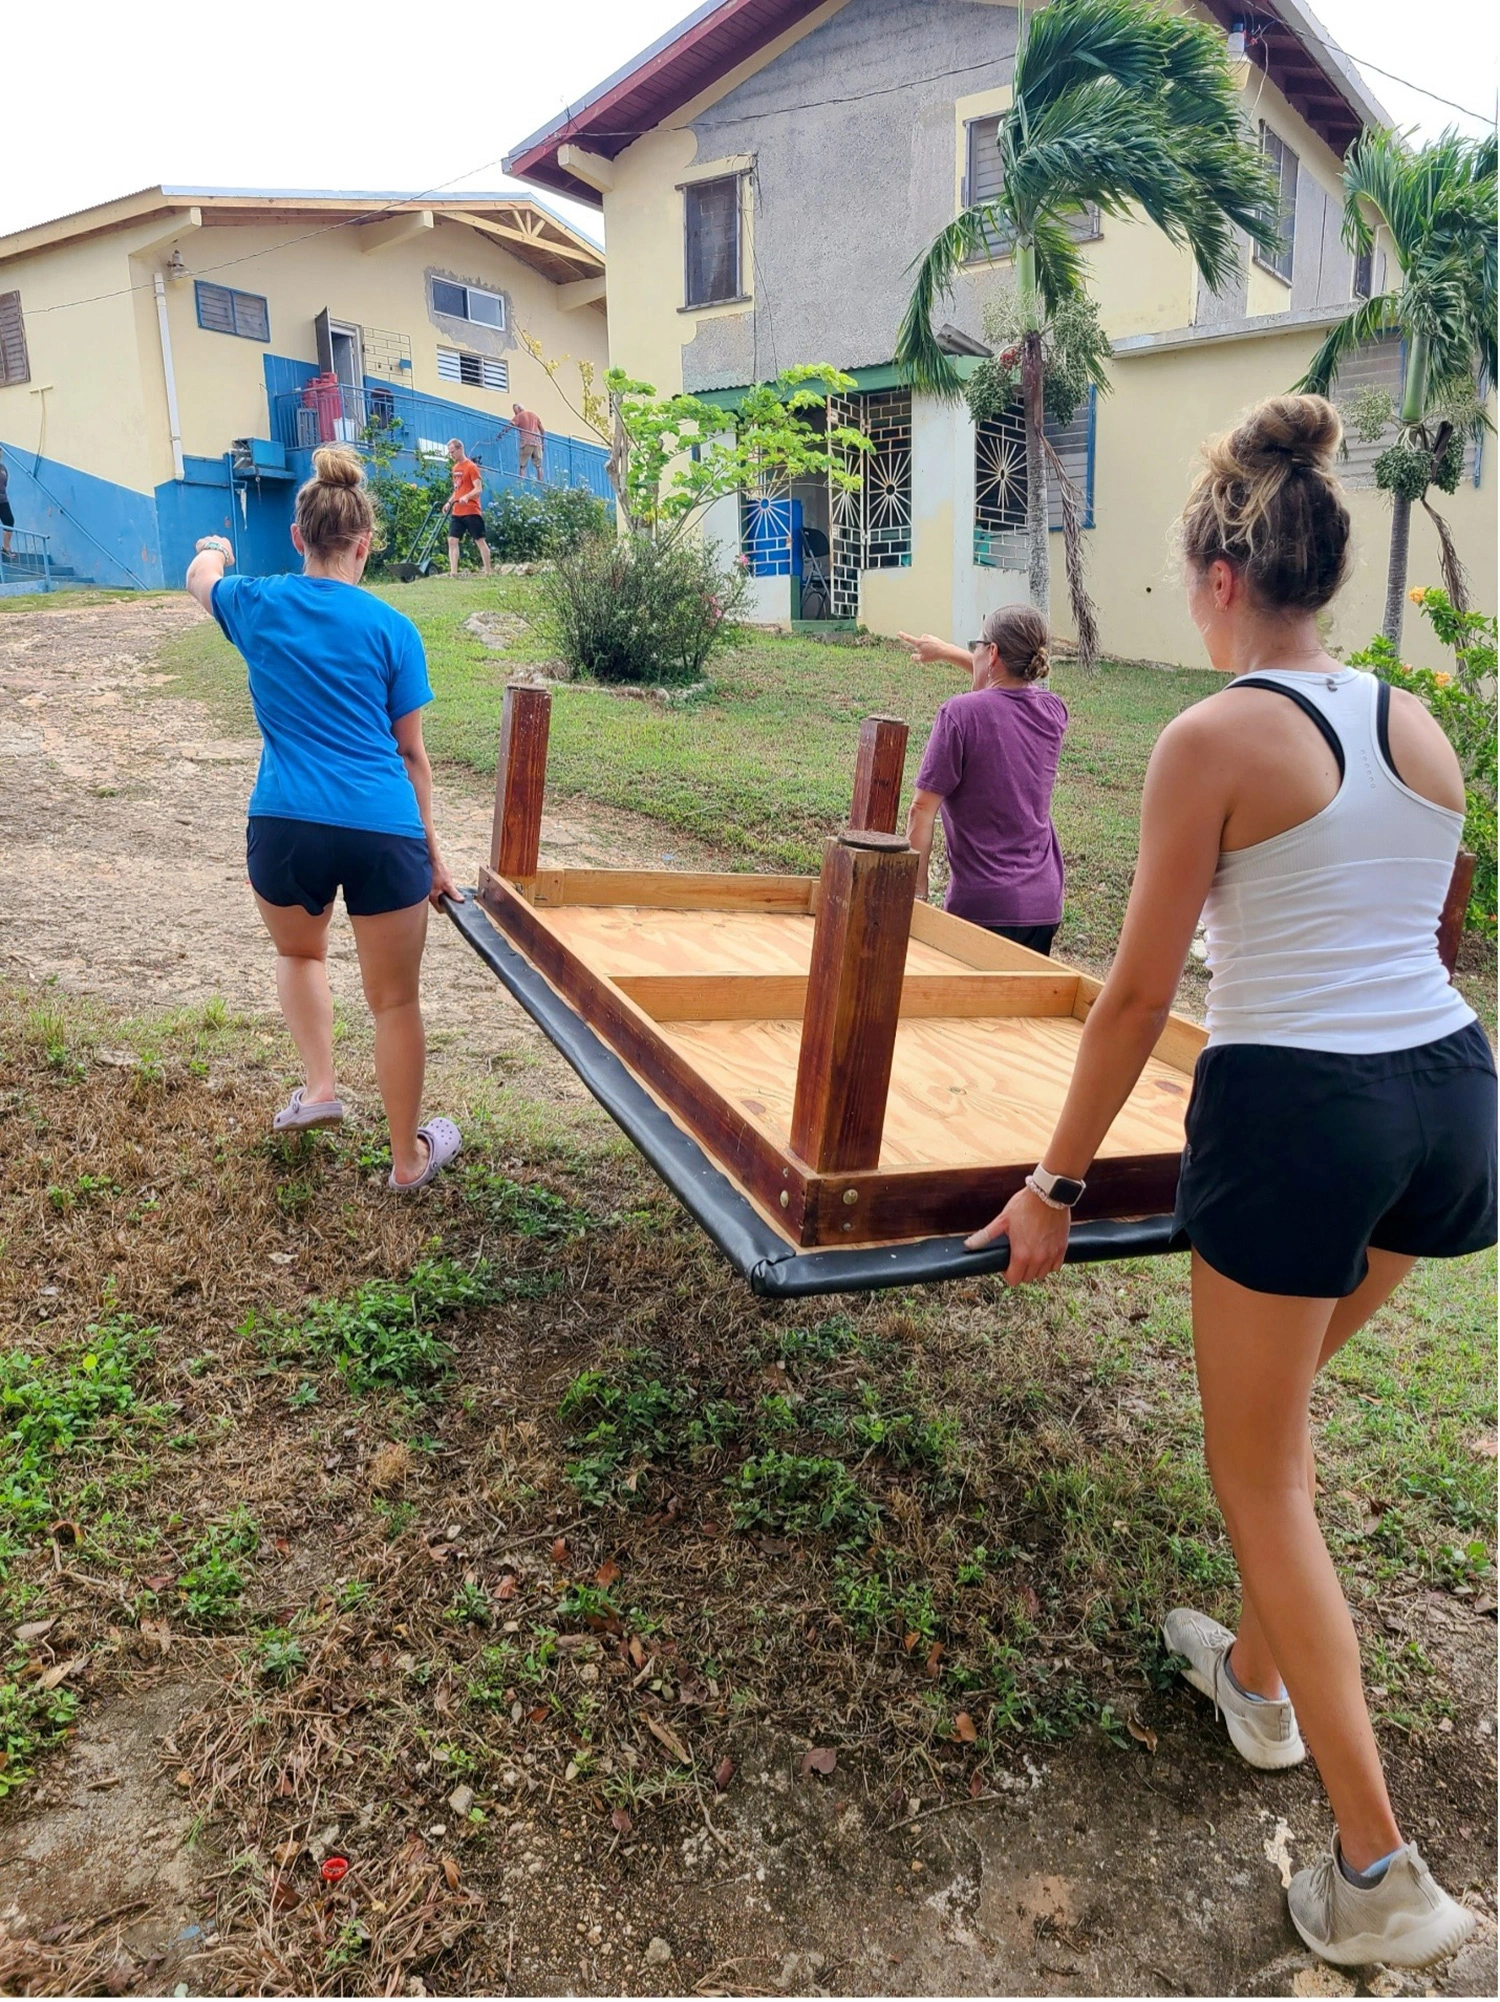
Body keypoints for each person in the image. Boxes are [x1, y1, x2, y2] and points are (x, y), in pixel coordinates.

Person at [967, 395, 1494, 1969]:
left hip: (1303, 1110)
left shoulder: (1214, 737)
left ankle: (1378, 1868)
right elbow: (1423, 926)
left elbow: (1134, 995)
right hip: (1452, 1097)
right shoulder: (1420, 722)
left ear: (1215, 573)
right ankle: (1255, 1690)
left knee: (1255, 1471)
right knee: (1283, 1434)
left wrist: (1054, 1183)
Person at [184, 446, 463, 1192]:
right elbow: (412, 757)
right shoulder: (393, 627)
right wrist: (434, 857)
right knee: (396, 999)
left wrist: (213, 547)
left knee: (302, 957)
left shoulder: (257, 601)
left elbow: (199, 579)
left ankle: (319, 1089)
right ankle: (408, 1161)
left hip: (286, 826)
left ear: (300, 537)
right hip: (385, 828)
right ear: (364, 545)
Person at [900, 606, 1067, 954]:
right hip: (1043, 907)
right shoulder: (1053, 712)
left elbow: (921, 810)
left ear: (992, 653)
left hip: (982, 909)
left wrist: (915, 896)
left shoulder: (959, 714)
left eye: (977, 645)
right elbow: (1004, 686)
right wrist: (947, 652)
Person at [444, 437, 492, 578]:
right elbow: (457, 489)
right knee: (452, 540)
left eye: (452, 451)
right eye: (449, 452)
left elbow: (478, 489)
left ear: (460, 449)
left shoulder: (471, 467)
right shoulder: (455, 468)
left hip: (471, 510)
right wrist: (449, 502)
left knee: (479, 540)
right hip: (457, 510)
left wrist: (467, 497)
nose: (451, 455)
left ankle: (488, 571)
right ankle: (453, 572)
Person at [511, 402, 545, 482]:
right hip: (537, 443)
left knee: (522, 465)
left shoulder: (519, 416)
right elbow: (542, 430)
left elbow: (510, 426)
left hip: (526, 442)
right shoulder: (534, 415)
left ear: (519, 409)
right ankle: (541, 483)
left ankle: (521, 483)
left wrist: (501, 434)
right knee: (538, 466)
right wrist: (542, 443)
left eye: (515, 411)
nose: (515, 413)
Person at [0, 446, 14, 558]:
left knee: (9, 521)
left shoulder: (3, 468)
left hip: (3, 500)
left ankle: (6, 547)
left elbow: (5, 483)